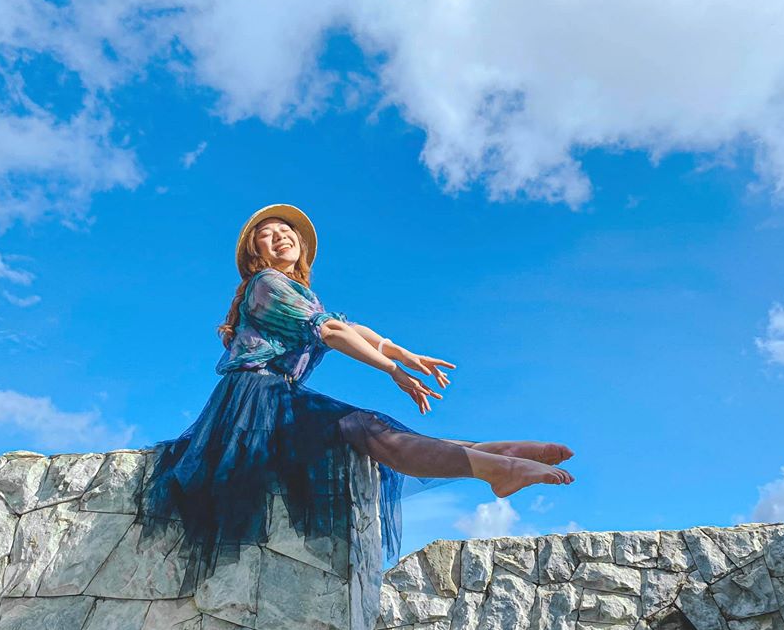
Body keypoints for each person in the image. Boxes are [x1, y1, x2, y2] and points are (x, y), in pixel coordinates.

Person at [140, 204, 574, 573]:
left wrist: (404, 354)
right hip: (252, 402)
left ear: (300, 244)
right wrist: (391, 370)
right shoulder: (266, 285)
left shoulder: (301, 294)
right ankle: (494, 466)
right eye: (266, 236)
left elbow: (349, 327)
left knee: (371, 429)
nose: (279, 237)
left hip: (277, 398)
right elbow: (330, 332)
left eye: (285, 230)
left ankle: (493, 454)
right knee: (366, 427)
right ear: (257, 255)